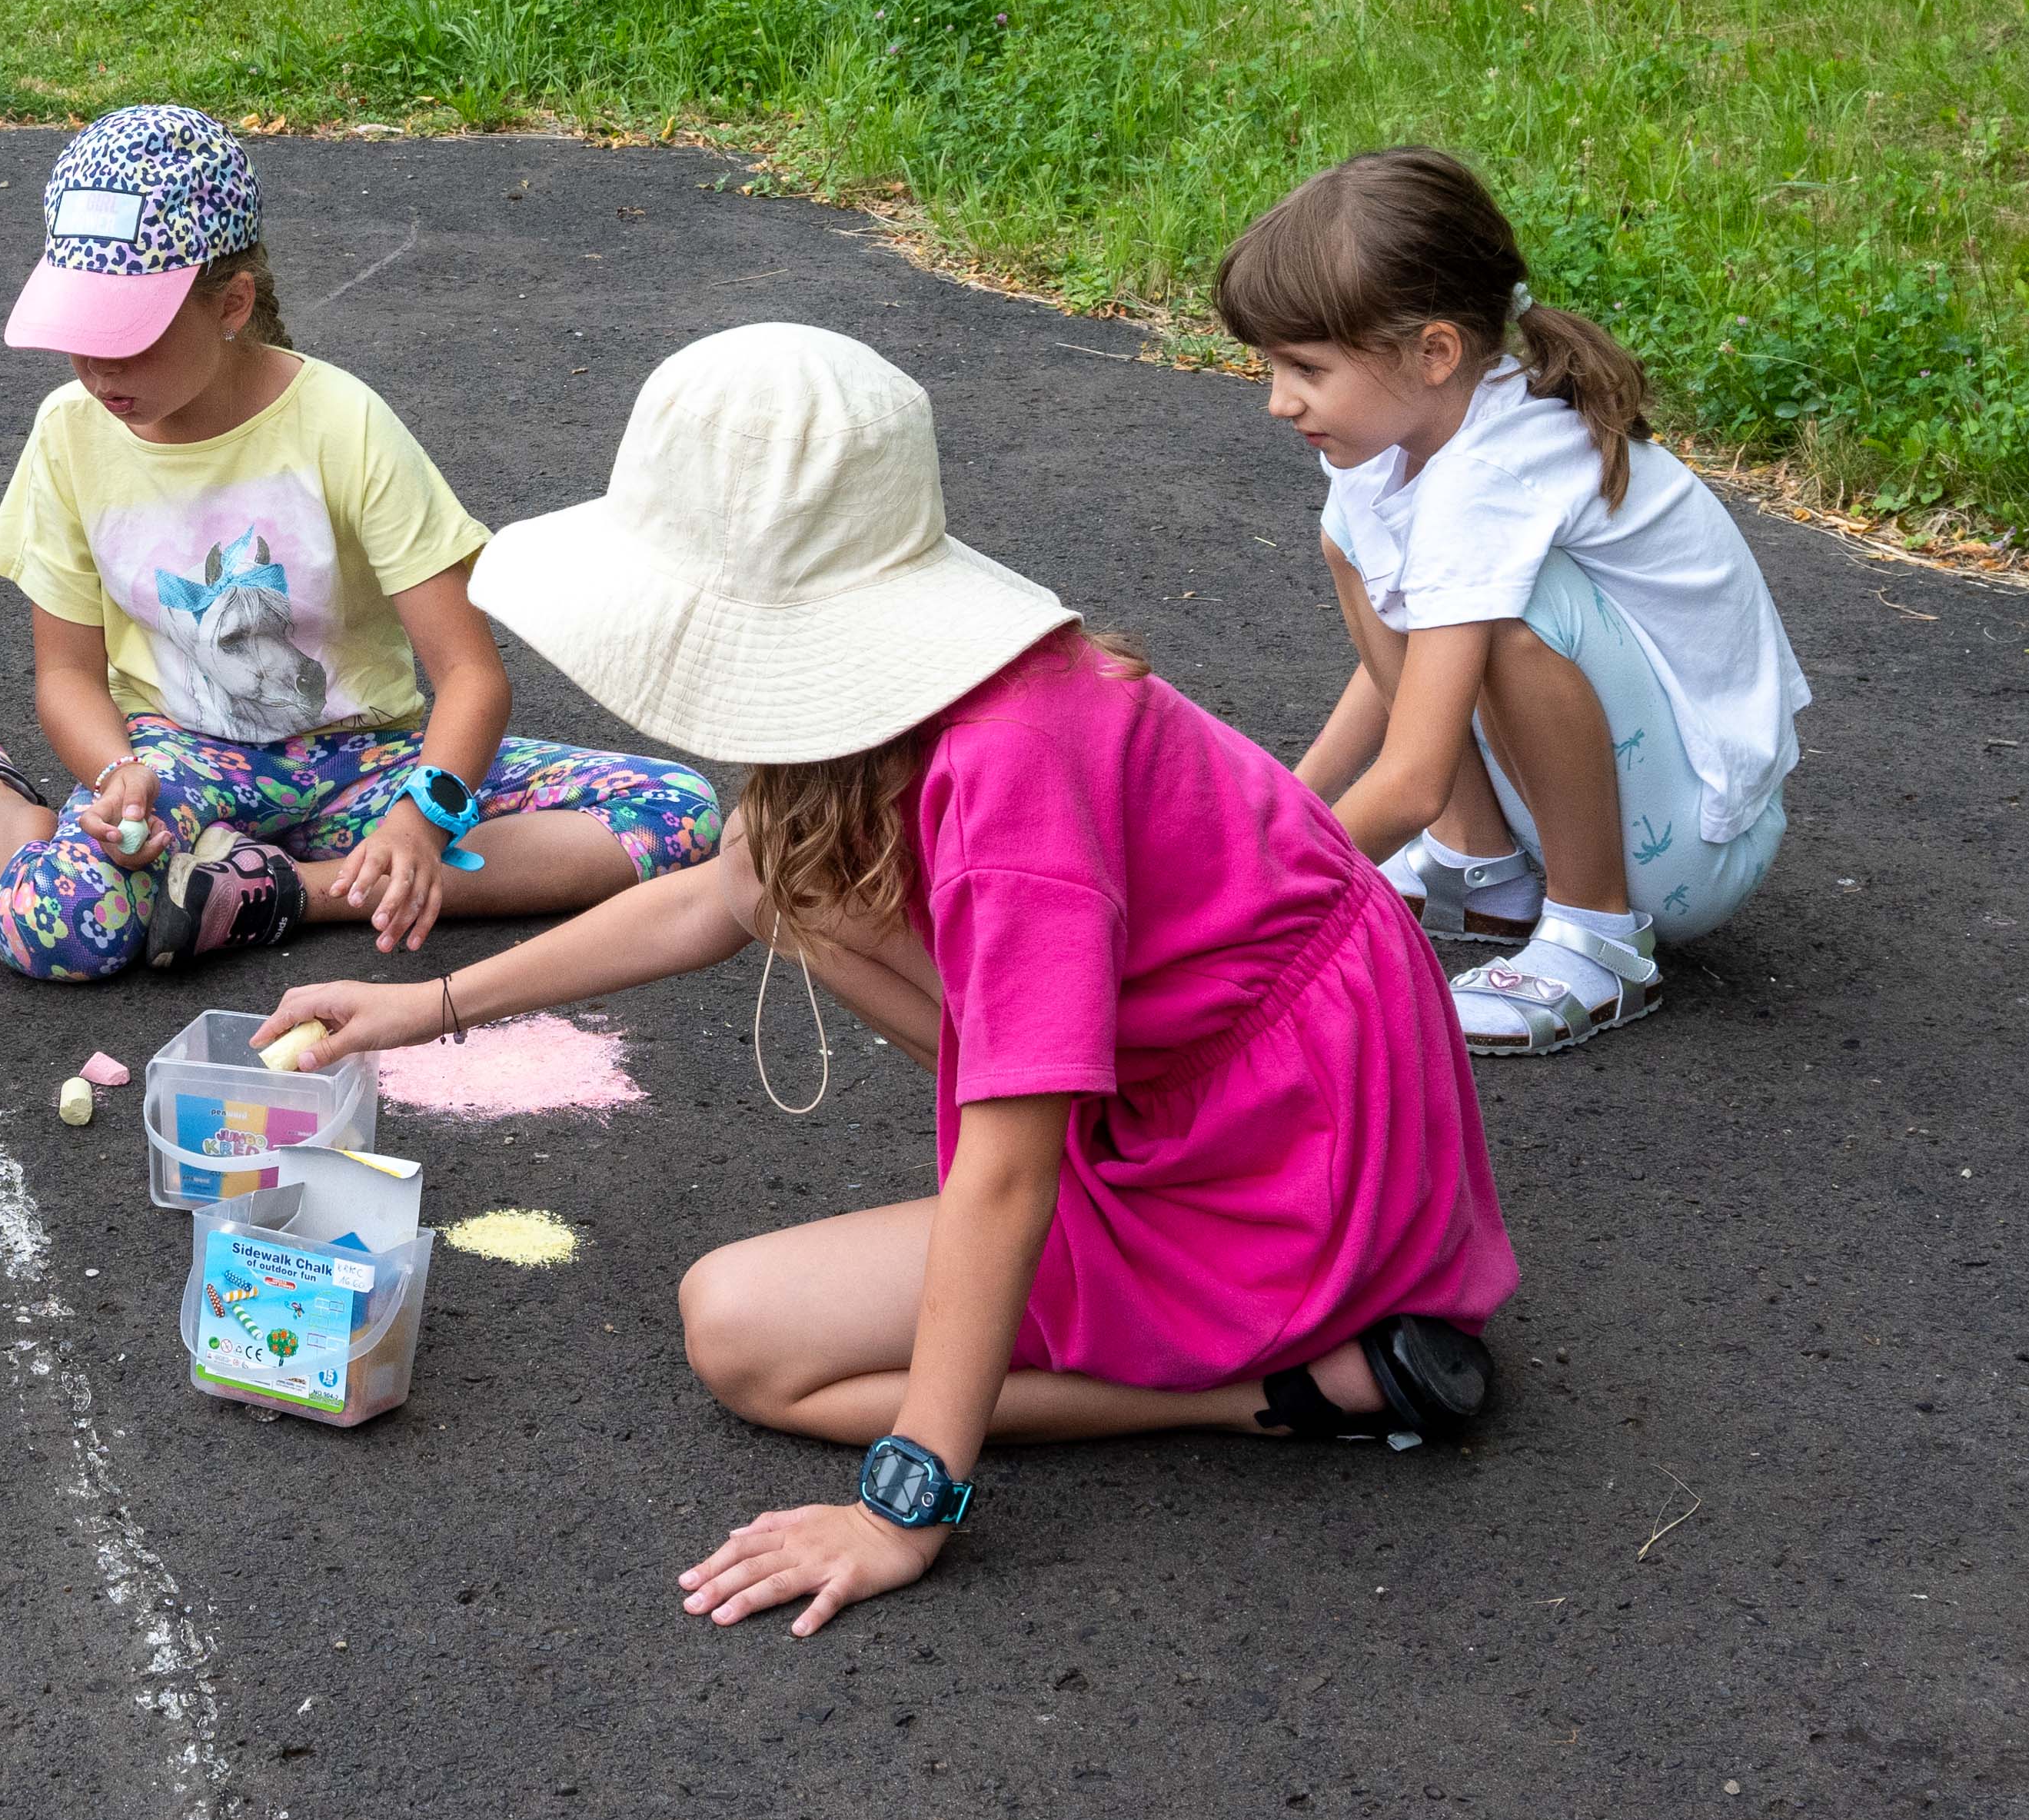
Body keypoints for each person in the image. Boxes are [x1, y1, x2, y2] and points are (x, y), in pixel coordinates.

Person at [254, 325, 1518, 1635]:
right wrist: (427, 1009)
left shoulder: (1010, 779)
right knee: (777, 866)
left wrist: (904, 1506)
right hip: (1252, 1077)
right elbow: (722, 894)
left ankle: (1288, 1386)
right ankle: (1245, 1336)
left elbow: (1009, 1168)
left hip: (1279, 1164)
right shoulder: (969, 689)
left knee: (741, 1333)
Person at [0, 105, 720, 979]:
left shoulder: (343, 423)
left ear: (232, 302)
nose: (98, 367)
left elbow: (471, 677)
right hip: (178, 760)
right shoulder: (68, 433)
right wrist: (118, 775)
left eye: (128, 335)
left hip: (365, 762)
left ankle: (274, 893)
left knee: (678, 815)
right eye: (78, 333)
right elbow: (67, 676)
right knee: (56, 926)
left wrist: (420, 821)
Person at [1216, 148, 1810, 1056]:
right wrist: (1291, 811)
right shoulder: (1394, 449)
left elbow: (1412, 775)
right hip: (1605, 797)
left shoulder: (1488, 478)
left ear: (1434, 352)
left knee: (1513, 606)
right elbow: (1415, 665)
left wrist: (1256, 898)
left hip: (1694, 842)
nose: (1277, 401)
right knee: (1352, 534)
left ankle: (1596, 938)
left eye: (1304, 368)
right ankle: (1479, 865)